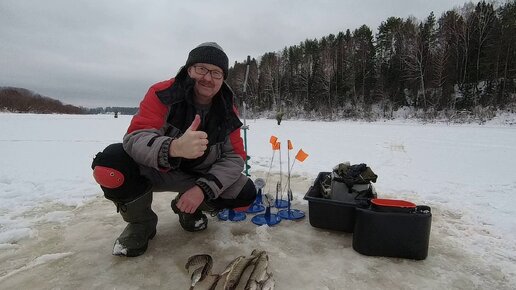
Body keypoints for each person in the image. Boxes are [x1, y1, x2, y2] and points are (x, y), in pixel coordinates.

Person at [91, 42, 256, 257]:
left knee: (245, 191)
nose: (208, 77)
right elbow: (135, 138)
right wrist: (174, 147)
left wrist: (202, 190)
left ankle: (188, 207)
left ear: (223, 79)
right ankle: (141, 223)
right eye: (201, 69)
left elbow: (235, 158)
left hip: (197, 177)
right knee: (109, 165)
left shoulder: (227, 110)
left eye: (216, 73)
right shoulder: (163, 93)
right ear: (188, 70)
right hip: (155, 171)